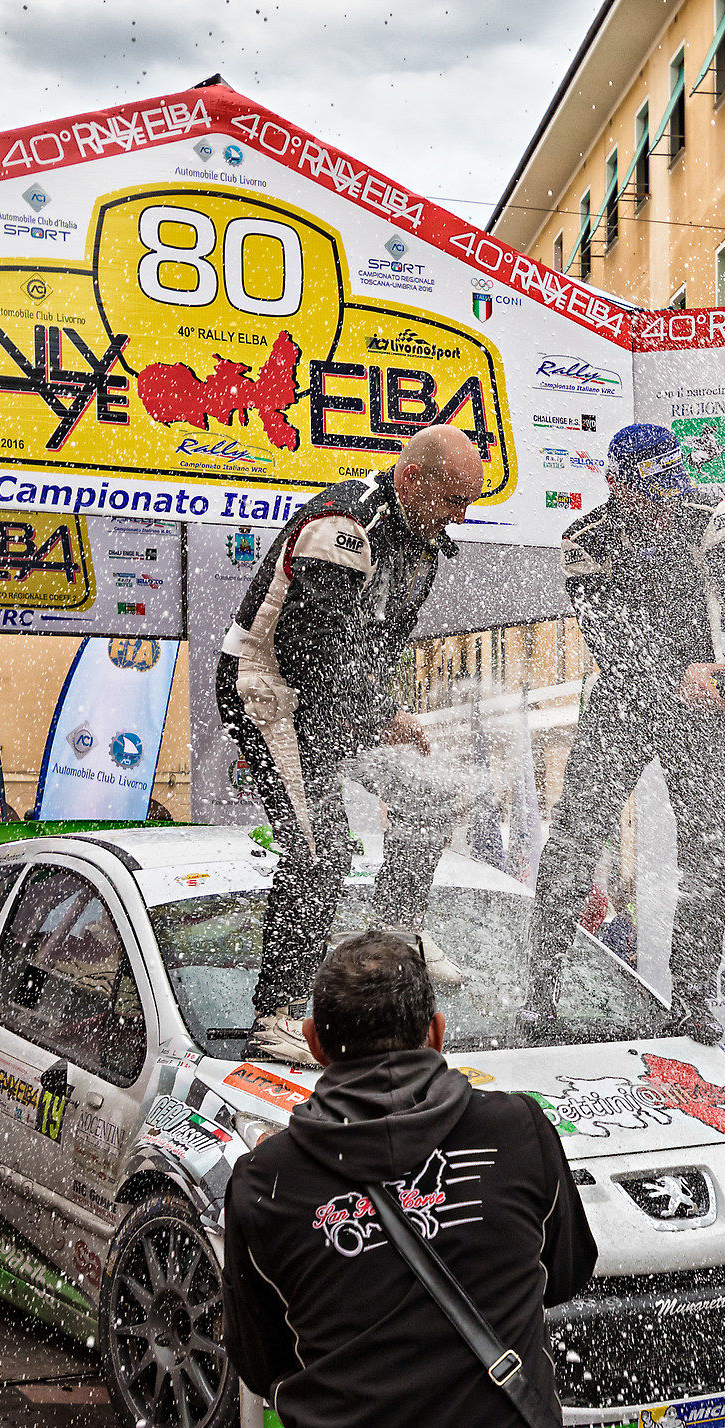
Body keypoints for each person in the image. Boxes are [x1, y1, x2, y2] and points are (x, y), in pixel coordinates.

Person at [221, 932, 596, 1428]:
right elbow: (567, 1274)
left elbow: (260, 1363)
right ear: (437, 1032)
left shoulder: (264, 1182)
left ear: (313, 1042)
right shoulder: (518, 1131)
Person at [525, 423, 725, 1045]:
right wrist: (677, 672)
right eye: (652, 494)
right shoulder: (584, 539)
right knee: (573, 844)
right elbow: (610, 635)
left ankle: (691, 1003)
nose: (665, 504)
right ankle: (539, 998)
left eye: (672, 489)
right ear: (617, 484)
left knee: (713, 851)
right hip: (620, 705)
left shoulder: (707, 515)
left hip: (698, 712)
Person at [217, 424, 488, 1064]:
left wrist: (382, 710)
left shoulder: (424, 541)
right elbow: (311, 650)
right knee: (322, 853)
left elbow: (381, 646)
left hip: (335, 698)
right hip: (271, 689)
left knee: (434, 796)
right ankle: (276, 1014)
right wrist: (377, 716)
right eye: (454, 500)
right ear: (412, 478)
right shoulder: (343, 526)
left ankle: (396, 933)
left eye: (468, 504)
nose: (460, 517)